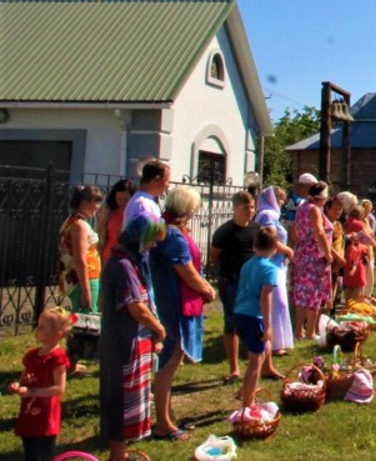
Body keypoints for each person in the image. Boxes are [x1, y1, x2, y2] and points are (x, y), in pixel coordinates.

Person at [149, 185, 216, 441]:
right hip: (174, 303)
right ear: (186, 209)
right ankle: (162, 423)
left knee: (171, 359)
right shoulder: (173, 235)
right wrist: (207, 290)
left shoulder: (164, 228)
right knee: (170, 359)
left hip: (170, 300)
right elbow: (186, 271)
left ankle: (165, 413)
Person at [99, 212, 167, 461]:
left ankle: (122, 452)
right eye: (152, 240)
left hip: (129, 340)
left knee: (127, 398)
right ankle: (117, 455)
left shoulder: (126, 261)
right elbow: (135, 306)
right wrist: (158, 328)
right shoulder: (123, 265)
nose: (154, 245)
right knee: (119, 398)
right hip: (122, 342)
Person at [7, 307, 74, 461]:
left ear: (56, 334)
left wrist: (32, 392)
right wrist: (16, 385)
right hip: (28, 413)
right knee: (30, 451)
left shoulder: (57, 359)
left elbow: (59, 388)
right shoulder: (32, 356)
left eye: (42, 327)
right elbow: (23, 379)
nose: (37, 329)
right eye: (38, 325)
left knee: (44, 453)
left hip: (45, 417)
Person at [209, 190, 258, 383]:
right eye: (246, 207)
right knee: (232, 322)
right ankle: (234, 368)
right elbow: (214, 257)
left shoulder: (256, 229)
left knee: (254, 321)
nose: (250, 211)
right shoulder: (224, 232)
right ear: (235, 208)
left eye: (252, 207)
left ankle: (256, 362)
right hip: (231, 281)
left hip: (251, 283)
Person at [232, 227, 281, 413]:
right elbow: (265, 299)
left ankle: (244, 391)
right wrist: (268, 326)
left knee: (257, 354)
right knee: (256, 361)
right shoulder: (270, 269)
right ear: (275, 247)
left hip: (239, 313)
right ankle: (248, 404)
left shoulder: (247, 265)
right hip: (254, 316)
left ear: (254, 245)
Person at [292, 181, 338, 339]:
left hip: (301, 255)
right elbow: (319, 232)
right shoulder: (315, 210)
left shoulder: (302, 207)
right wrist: (328, 254)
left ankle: (299, 330)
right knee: (313, 295)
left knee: (301, 294)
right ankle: (311, 331)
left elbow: (295, 230)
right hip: (314, 258)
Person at [252, 186, 293, 365]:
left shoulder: (273, 214)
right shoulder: (267, 215)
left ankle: (280, 342)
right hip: (271, 264)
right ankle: (274, 343)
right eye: (280, 198)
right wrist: (289, 251)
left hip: (278, 264)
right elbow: (272, 240)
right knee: (277, 302)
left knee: (281, 302)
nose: (282, 202)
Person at [59, 185, 103, 314]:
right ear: (84, 203)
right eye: (96, 202)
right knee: (85, 319)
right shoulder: (80, 226)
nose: (98, 207)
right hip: (85, 279)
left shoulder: (71, 221)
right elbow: (80, 259)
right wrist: (86, 290)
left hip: (77, 279)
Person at [97, 179, 135, 260]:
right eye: (119, 199)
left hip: (127, 258)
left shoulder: (135, 213)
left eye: (125, 199)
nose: (121, 202)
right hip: (107, 256)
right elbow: (99, 233)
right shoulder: (107, 212)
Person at [123, 160, 169, 225]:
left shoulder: (142, 201)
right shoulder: (143, 204)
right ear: (157, 180)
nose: (168, 185)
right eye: (167, 181)